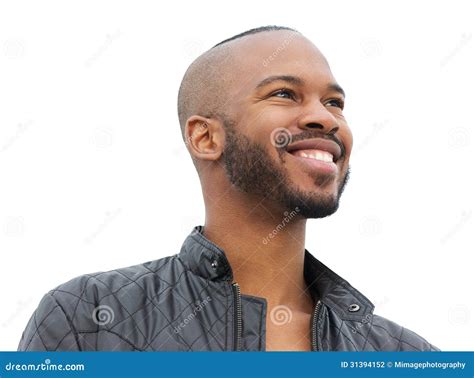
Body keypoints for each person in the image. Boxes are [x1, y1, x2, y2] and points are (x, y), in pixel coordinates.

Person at [18, 25, 439, 351]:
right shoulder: (86, 319)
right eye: (284, 93)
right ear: (205, 138)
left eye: (334, 103)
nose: (326, 119)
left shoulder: (409, 356)